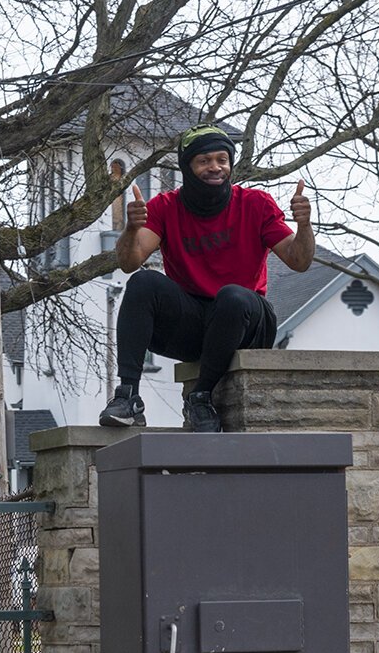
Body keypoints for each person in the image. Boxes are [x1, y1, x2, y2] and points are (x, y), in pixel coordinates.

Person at [98, 124, 314, 432]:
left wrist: (304, 226)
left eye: (221, 159)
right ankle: (127, 397)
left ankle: (201, 397)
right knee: (144, 282)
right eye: (204, 161)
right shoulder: (165, 207)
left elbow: (299, 260)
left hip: (247, 321)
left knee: (232, 296)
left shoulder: (256, 203)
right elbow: (129, 262)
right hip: (196, 323)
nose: (215, 167)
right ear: (188, 167)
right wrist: (131, 228)